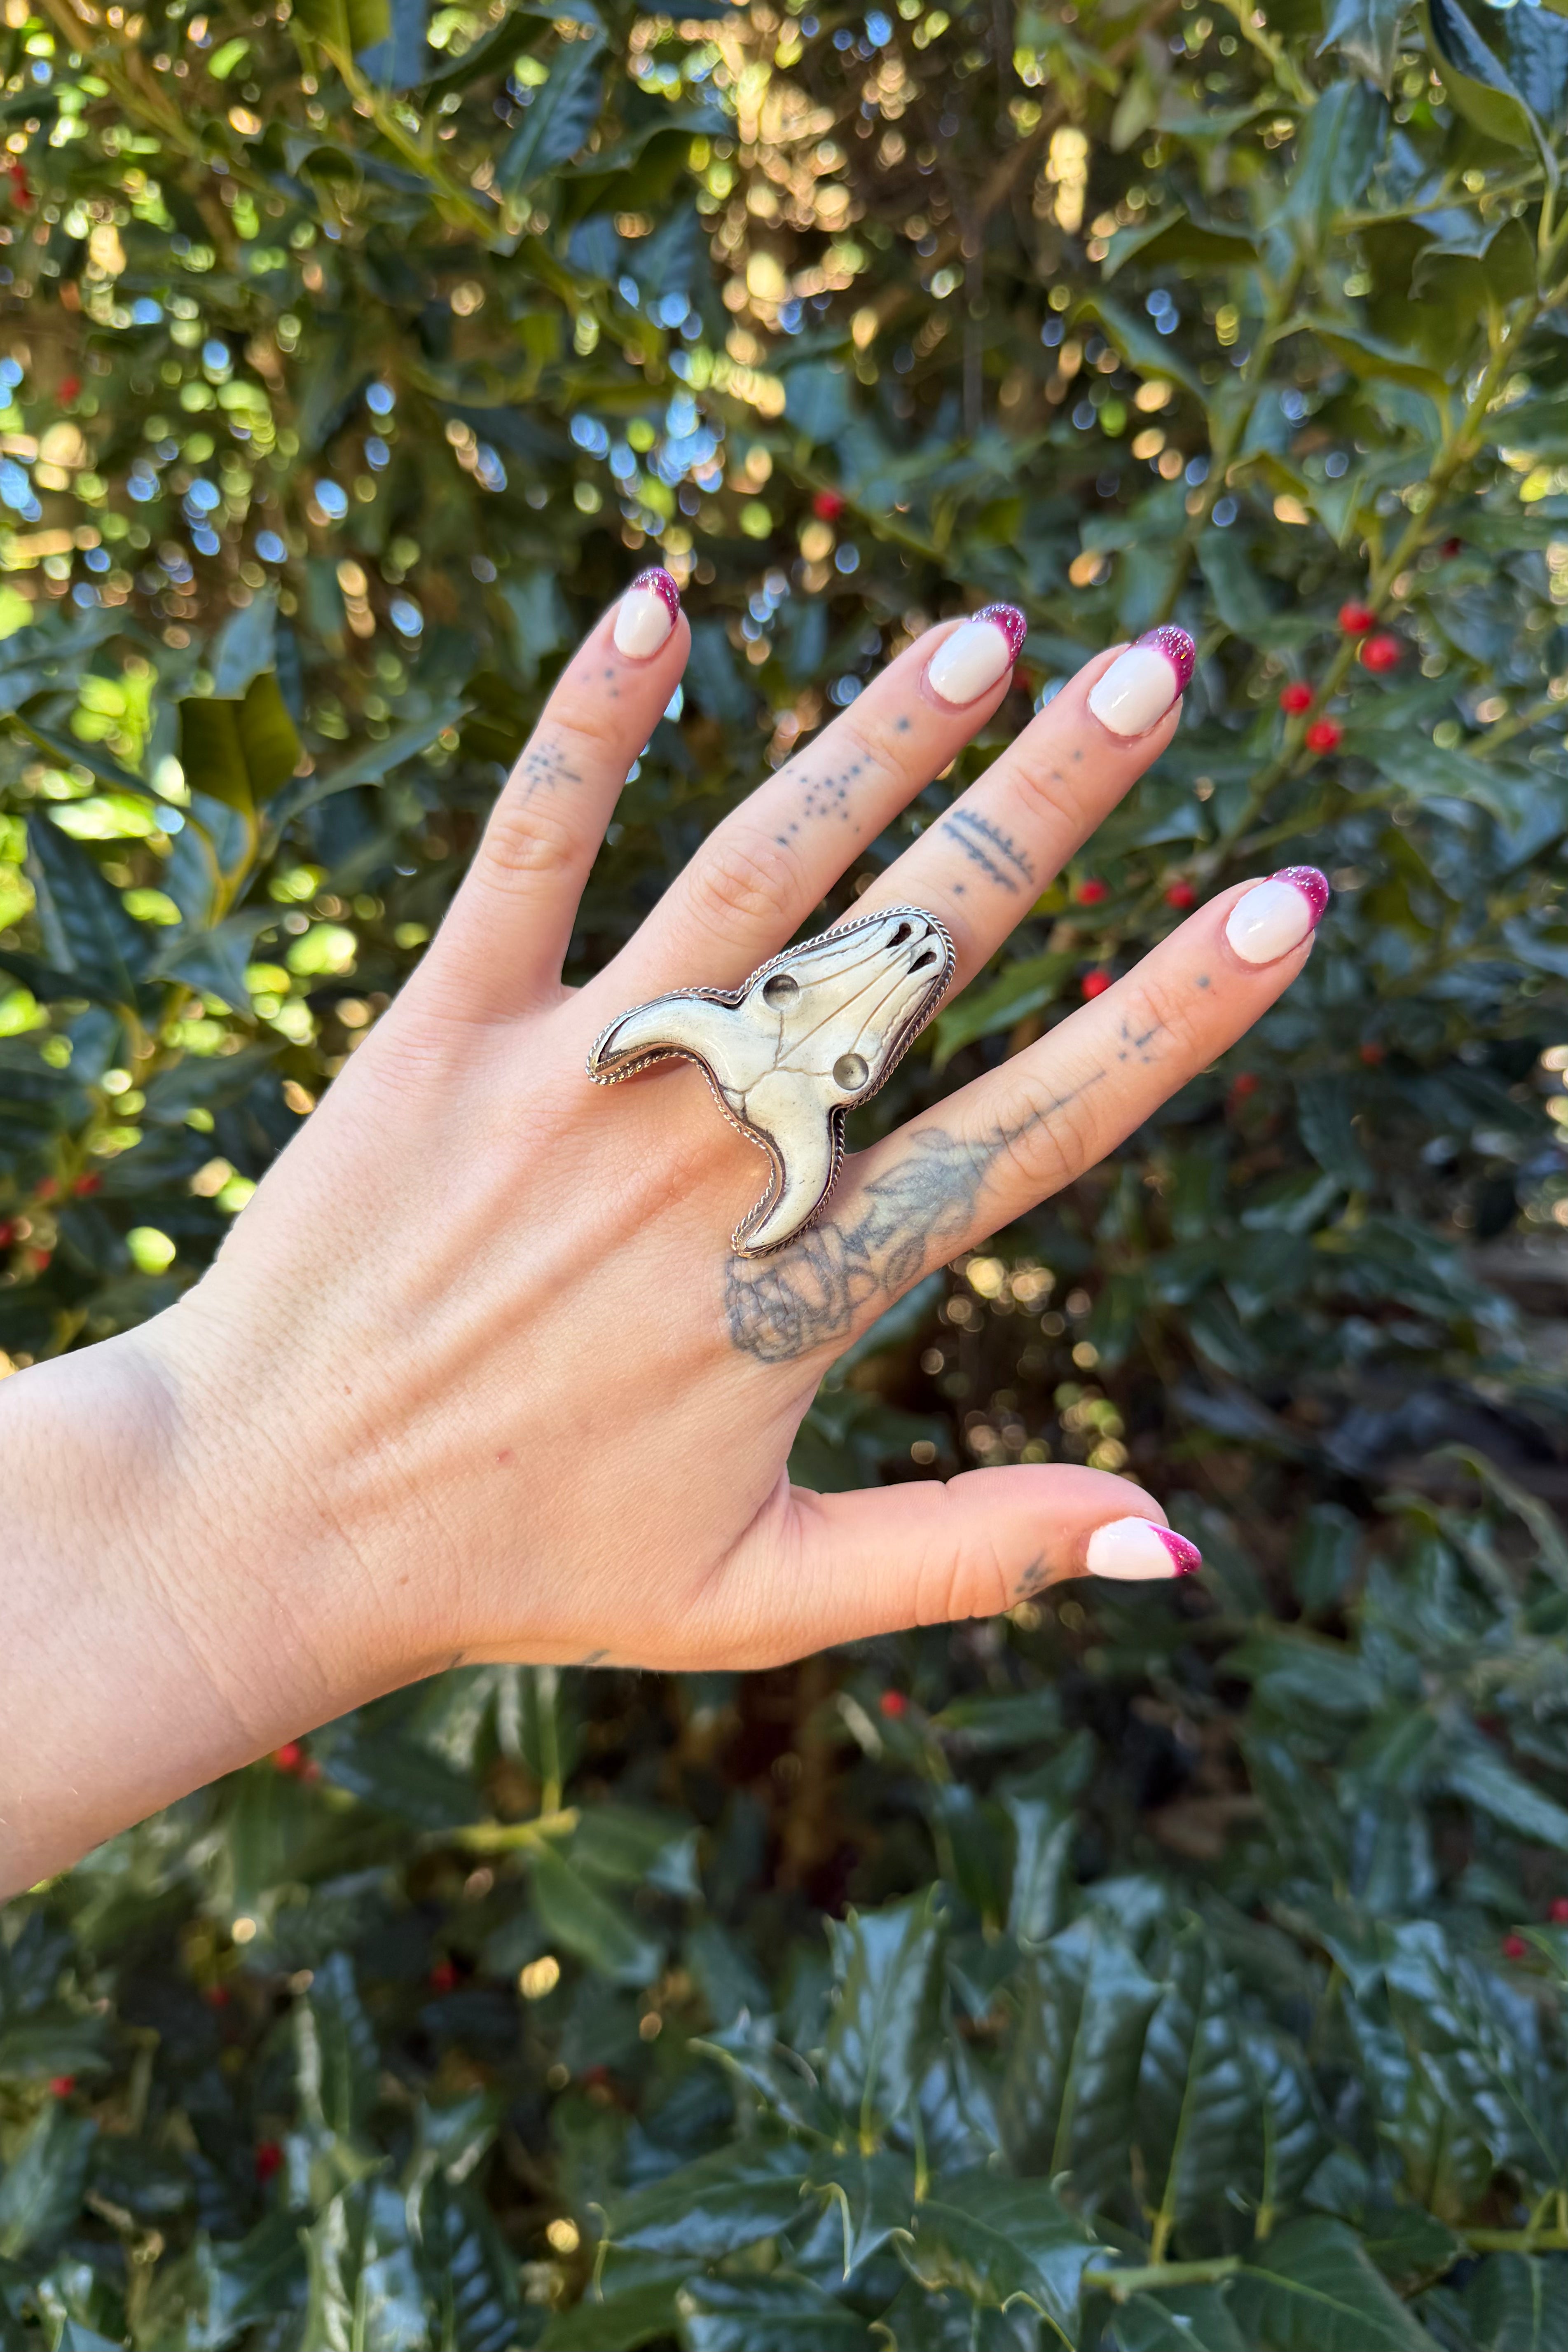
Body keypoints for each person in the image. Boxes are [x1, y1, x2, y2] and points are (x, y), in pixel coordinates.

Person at [0, 578, 1327, 1896]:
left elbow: (744, 1111)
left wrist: (201, 1497)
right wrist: (217, 1496)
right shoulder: (742, 1060)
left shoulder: (795, 1111)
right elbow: (681, 1052)